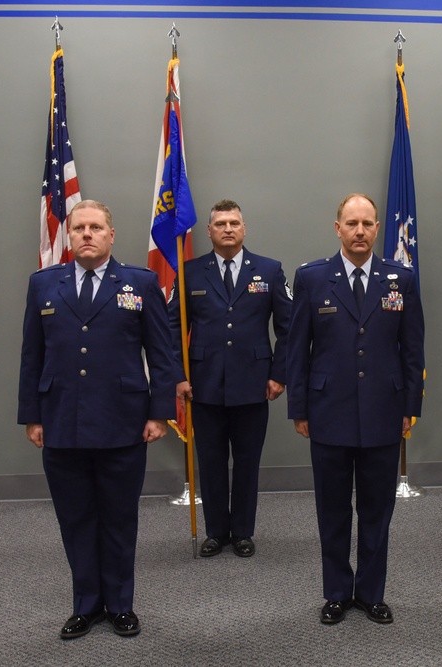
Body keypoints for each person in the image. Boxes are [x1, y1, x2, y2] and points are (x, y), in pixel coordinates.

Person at [18, 200, 175, 639]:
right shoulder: (44, 285)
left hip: (123, 420)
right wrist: (32, 415)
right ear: (69, 236)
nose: (87, 234)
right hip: (61, 420)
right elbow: (33, 356)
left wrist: (160, 413)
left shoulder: (140, 283)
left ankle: (121, 604)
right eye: (79, 227)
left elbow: (161, 355)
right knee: (76, 518)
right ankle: (86, 604)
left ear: (111, 235)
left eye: (96, 227)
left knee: (120, 518)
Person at [286, 193, 425, 625]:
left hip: (385, 411)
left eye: (367, 223)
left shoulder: (400, 278)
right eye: (352, 223)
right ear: (338, 228)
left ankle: (370, 593)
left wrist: (410, 407)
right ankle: (335, 593)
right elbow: (297, 350)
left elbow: (412, 348)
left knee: (377, 510)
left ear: (377, 228)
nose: (360, 231)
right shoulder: (312, 278)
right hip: (328, 410)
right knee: (332, 510)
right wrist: (299, 408)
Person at [169, 199, 291, 558]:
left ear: (244, 228)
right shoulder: (189, 272)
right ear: (208, 231)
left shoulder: (269, 271)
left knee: (247, 462)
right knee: (211, 462)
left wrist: (278, 374)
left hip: (254, 384)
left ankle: (242, 532)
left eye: (233, 223)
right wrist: (178, 375)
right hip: (203, 386)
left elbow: (288, 328)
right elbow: (172, 328)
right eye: (220, 223)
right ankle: (216, 532)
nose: (227, 228)